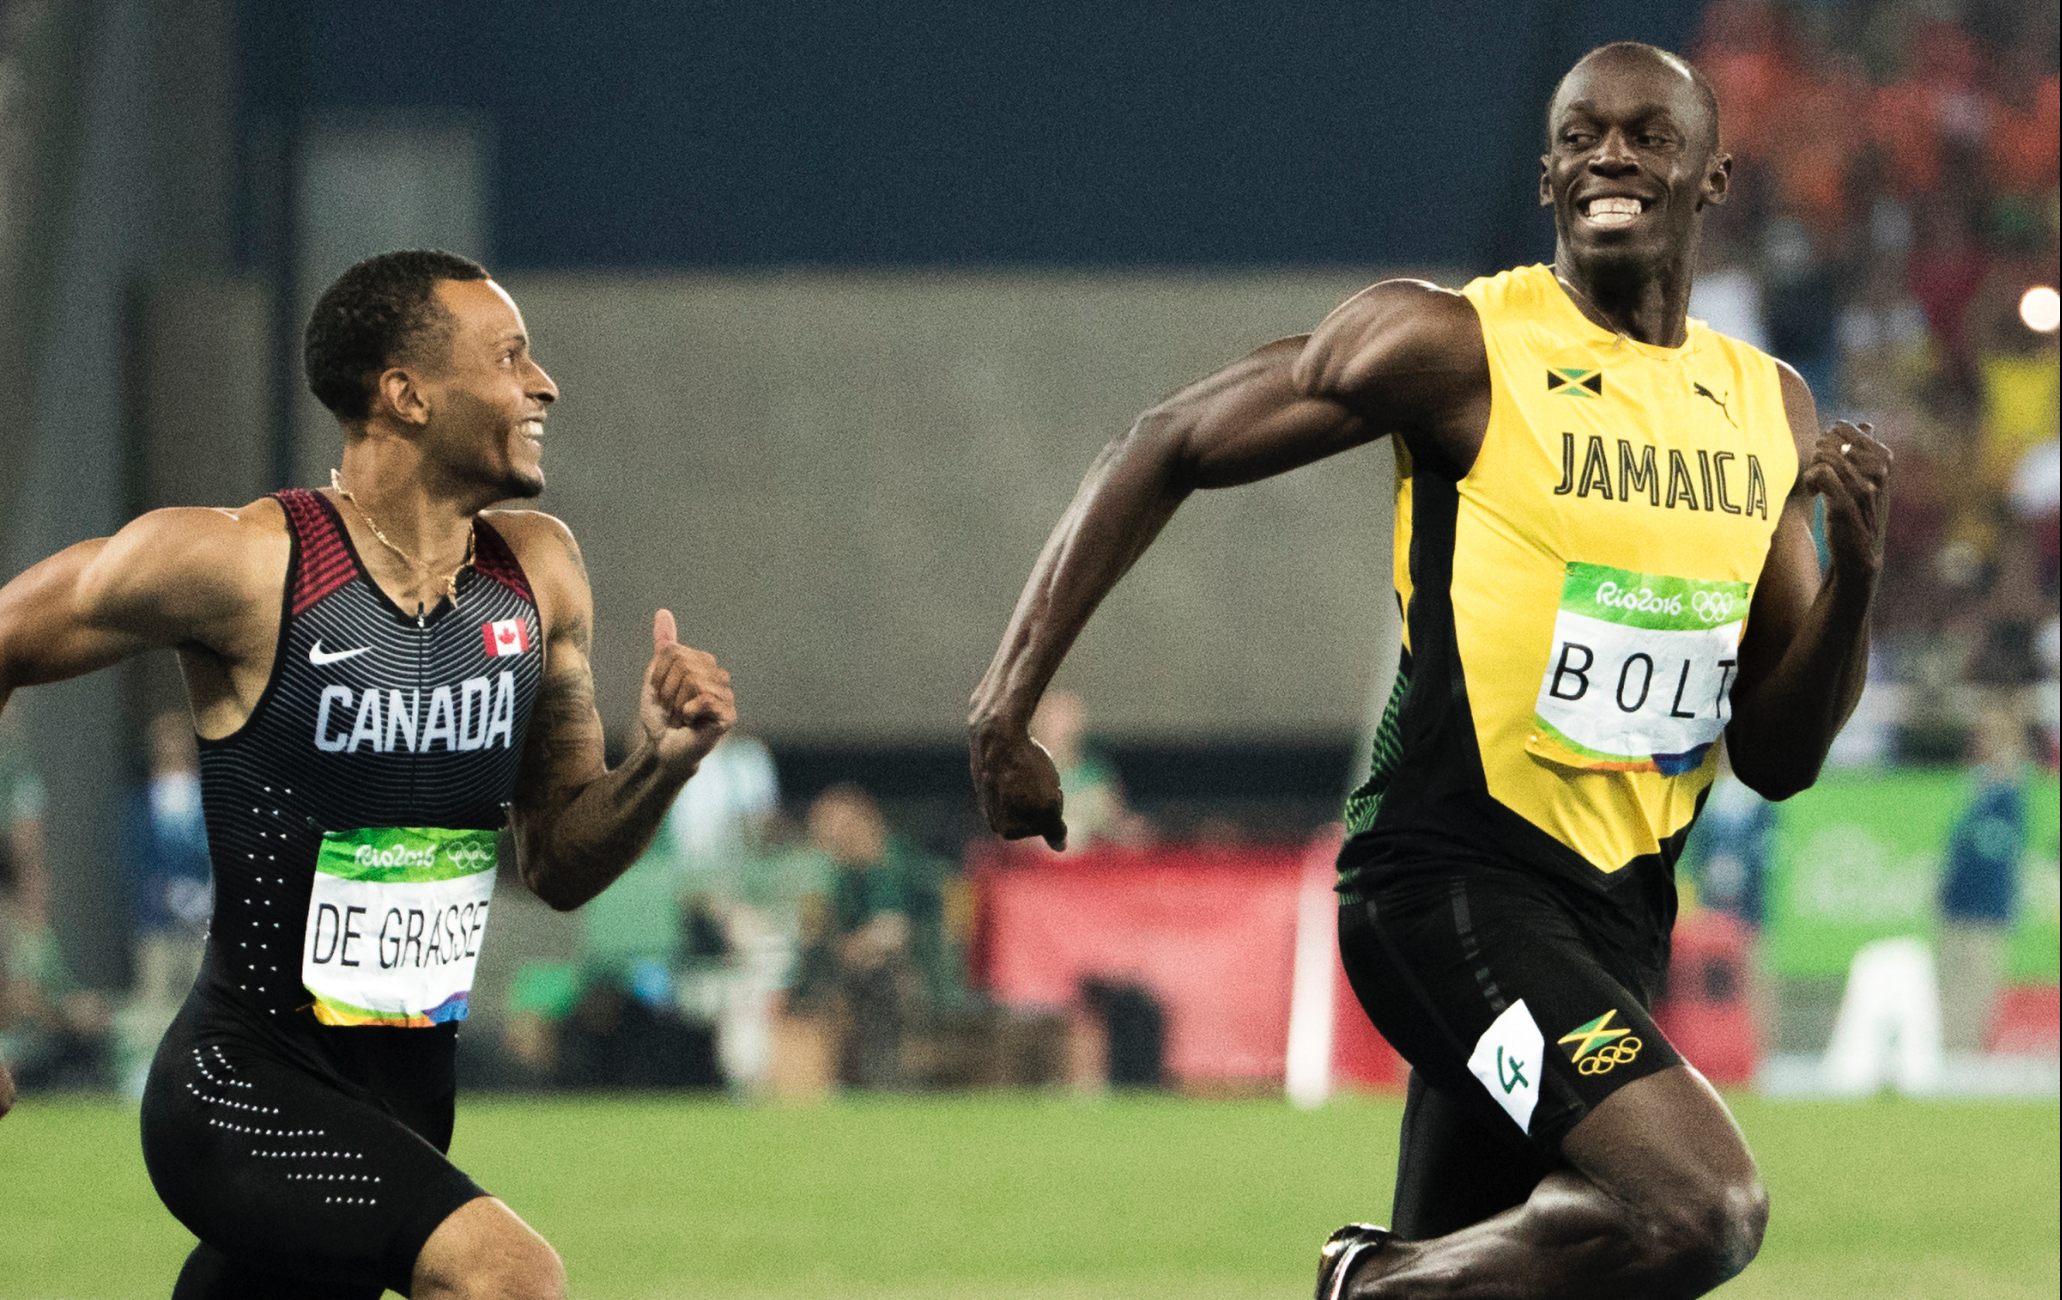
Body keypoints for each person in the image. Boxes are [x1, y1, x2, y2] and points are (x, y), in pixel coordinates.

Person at [969, 43, 1889, 1300]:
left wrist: (1855, 582)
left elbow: (1776, 757)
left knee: (1526, 1258)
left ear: (1710, 174)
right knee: (1696, 1205)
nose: (1609, 156)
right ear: (1548, 174)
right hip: (1447, 892)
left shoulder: (1763, 408)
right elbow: (1165, 442)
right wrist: (1005, 704)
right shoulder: (1455, 344)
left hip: (1614, 922)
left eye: (1644, 134)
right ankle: (1369, 1282)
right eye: (1578, 136)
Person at [0, 249, 736, 1300]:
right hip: (240, 1089)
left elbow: (562, 858)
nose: (545, 385)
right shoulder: (248, 565)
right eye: (512, 355)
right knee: (506, 1276)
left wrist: (661, 765)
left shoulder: (540, 576)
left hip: (399, 1104)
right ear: (405, 393)